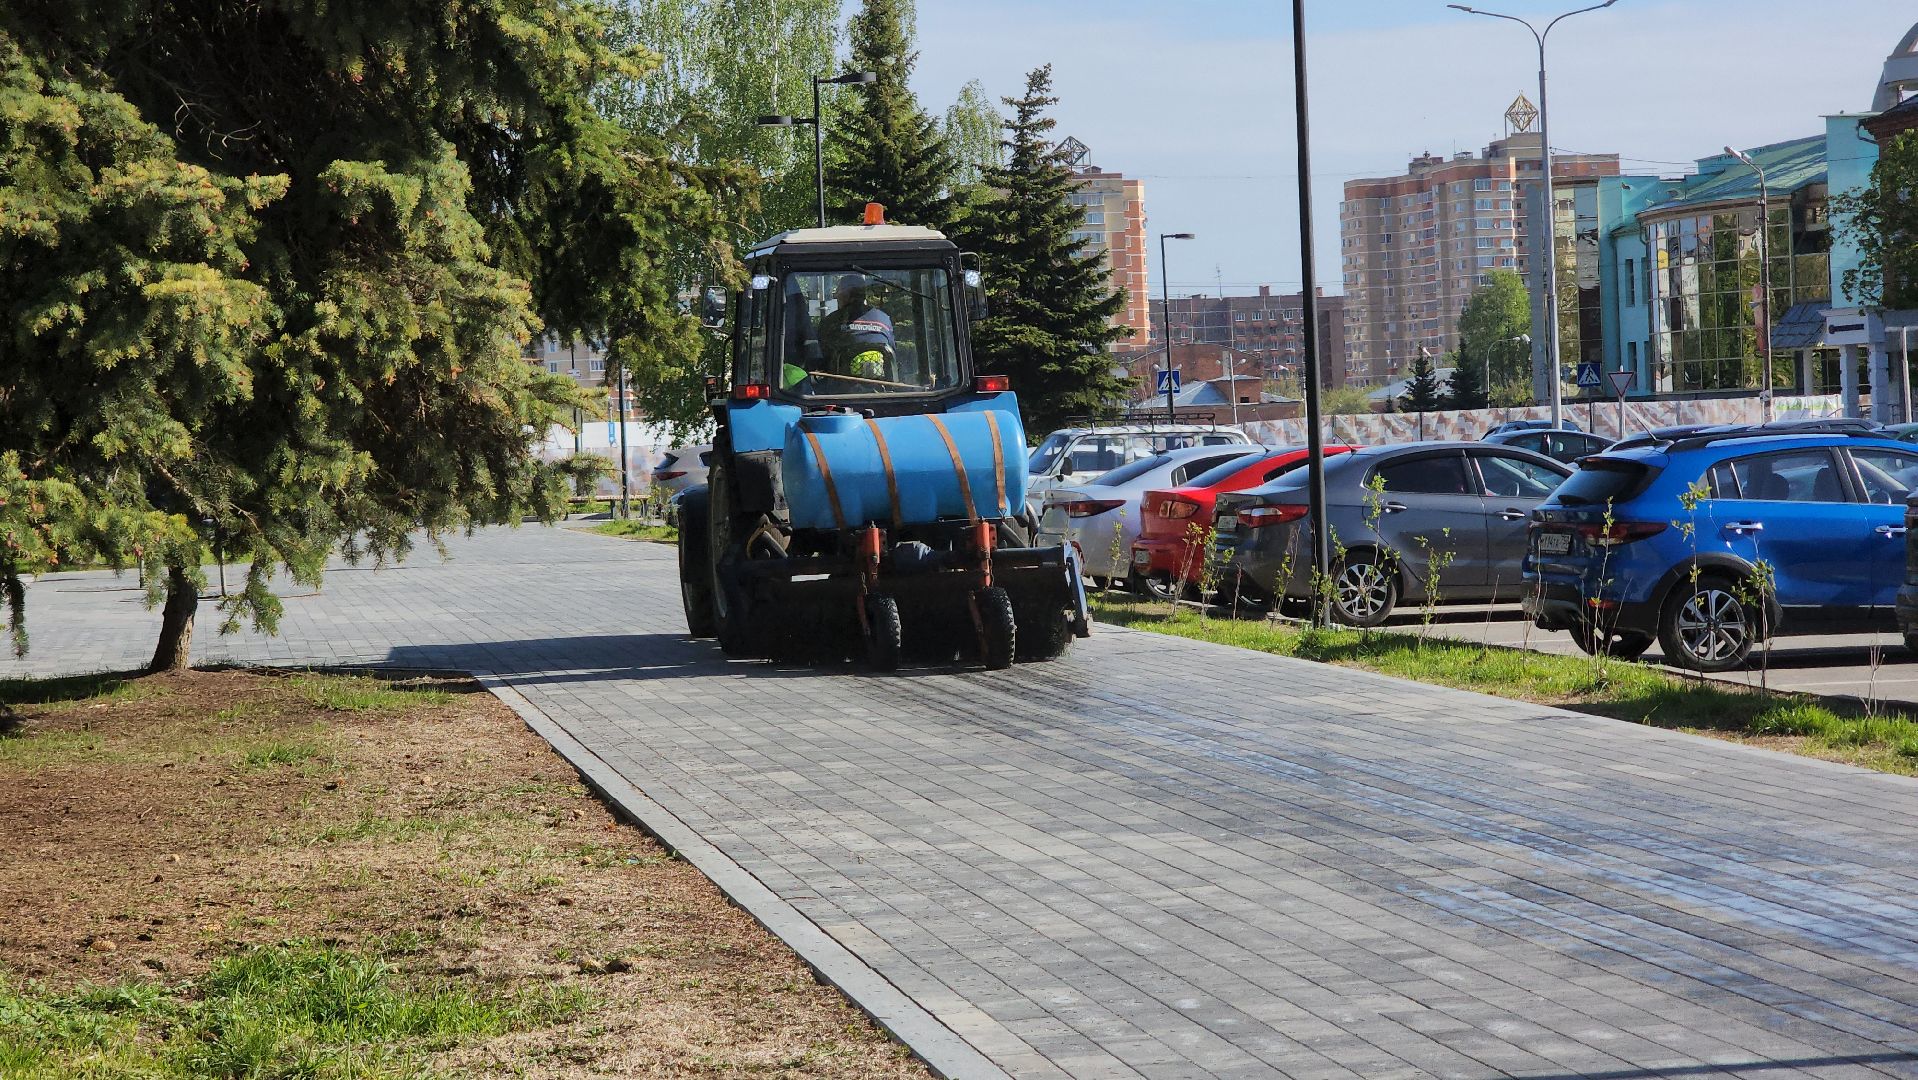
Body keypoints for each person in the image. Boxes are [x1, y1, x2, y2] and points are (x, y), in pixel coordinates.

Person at [815, 274, 894, 384]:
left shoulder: (830, 322)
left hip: (840, 389)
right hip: (881, 386)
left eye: (838, 293)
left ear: (846, 295)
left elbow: (820, 358)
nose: (837, 297)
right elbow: (892, 353)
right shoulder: (884, 319)